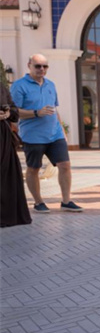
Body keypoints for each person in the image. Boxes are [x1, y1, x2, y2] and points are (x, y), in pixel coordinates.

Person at [10, 54, 82, 213]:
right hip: (33, 136)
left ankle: (66, 201)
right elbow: (14, 112)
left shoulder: (50, 84)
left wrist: (62, 131)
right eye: (38, 66)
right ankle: (38, 202)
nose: (41, 69)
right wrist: (36, 112)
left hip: (55, 135)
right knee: (33, 168)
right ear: (29, 65)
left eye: (45, 66)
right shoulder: (19, 86)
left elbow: (55, 110)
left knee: (65, 166)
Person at [1, 80, 31, 227]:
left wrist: (7, 113)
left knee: (7, 175)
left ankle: (7, 215)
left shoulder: (1, 87)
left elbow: (14, 110)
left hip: (4, 139)